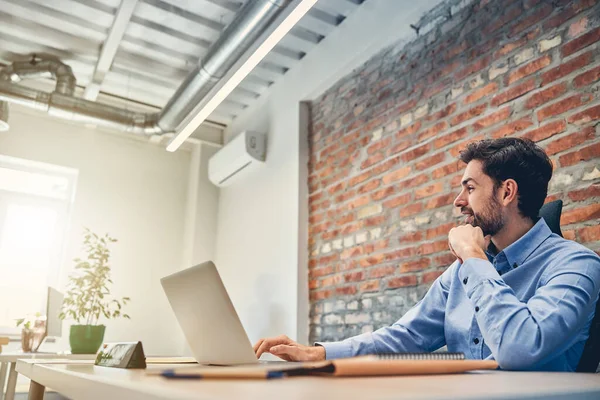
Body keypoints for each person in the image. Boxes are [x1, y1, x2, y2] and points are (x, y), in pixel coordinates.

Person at [253, 137, 600, 371]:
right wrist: (320, 353)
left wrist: (474, 259)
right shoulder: (461, 271)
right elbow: (405, 336)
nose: (458, 201)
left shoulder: (575, 265)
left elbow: (520, 348)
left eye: (470, 188)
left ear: (507, 191)